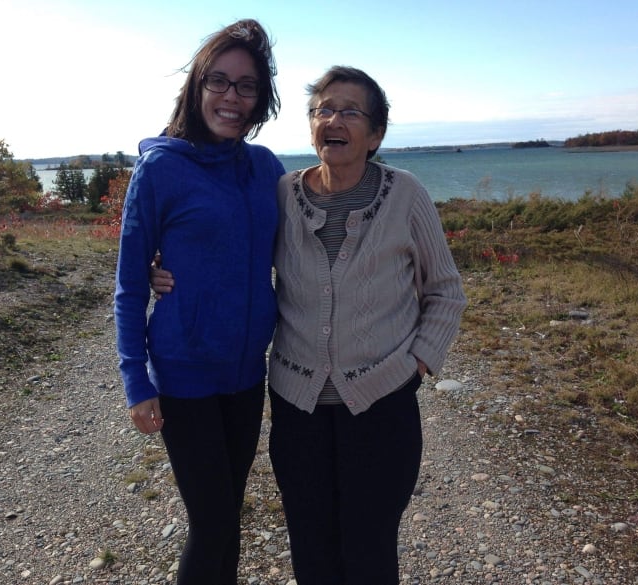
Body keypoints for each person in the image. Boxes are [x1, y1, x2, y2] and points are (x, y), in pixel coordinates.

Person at [152, 65, 466, 584]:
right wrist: (161, 264)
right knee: (312, 555)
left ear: (377, 133)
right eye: (322, 109)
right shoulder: (281, 193)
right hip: (298, 412)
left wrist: (418, 363)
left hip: (382, 409)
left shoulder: (405, 194)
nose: (333, 120)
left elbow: (446, 292)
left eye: (349, 111)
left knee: (368, 556)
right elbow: (228, 251)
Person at [114, 19, 284, 585]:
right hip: (184, 375)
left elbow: (311, 241)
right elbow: (131, 285)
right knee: (213, 523)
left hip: (246, 377)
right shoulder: (160, 169)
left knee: (226, 520)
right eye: (219, 81)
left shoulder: (266, 169)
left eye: (246, 86)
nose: (231, 97)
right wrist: (136, 382)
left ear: (260, 98)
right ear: (197, 86)